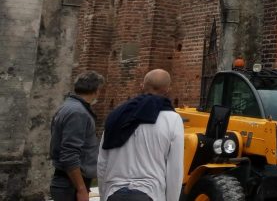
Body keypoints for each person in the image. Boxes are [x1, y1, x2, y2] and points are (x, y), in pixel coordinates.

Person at [98, 69, 184, 201]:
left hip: (114, 192)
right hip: (149, 192)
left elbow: (102, 162)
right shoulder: (172, 119)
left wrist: (103, 196)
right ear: (168, 89)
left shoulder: (116, 116)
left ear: (142, 86)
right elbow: (175, 169)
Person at [50, 71, 105, 201]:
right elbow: (69, 154)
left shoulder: (69, 106)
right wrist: (81, 189)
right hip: (69, 185)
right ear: (97, 90)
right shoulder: (78, 112)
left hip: (70, 182)